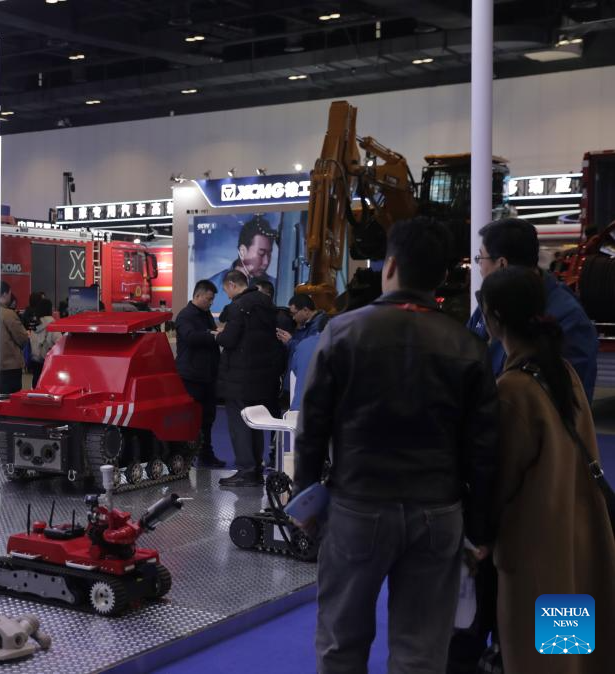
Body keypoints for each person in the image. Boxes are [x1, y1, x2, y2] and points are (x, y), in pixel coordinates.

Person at [295, 217, 499, 673]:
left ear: (390, 267)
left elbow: (312, 427)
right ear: (443, 276)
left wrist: (305, 498)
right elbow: (482, 448)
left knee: (341, 643)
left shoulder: (342, 332)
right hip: (439, 512)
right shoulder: (468, 346)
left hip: (356, 506)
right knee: (422, 650)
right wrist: (481, 529)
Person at [479, 266, 615, 674]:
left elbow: (501, 483)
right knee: (566, 655)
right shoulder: (564, 372)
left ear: (495, 318)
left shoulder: (513, 391)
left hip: (536, 552)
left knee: (537, 660)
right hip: (579, 540)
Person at [469, 217, 597, 401]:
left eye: (481, 258)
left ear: (502, 264)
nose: (479, 266)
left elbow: (573, 403)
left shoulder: (568, 319)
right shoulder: (489, 305)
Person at [215, 270, 286, 487]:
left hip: (240, 378)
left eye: (226, 289)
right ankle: (256, 468)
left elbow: (230, 339)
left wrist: (218, 334)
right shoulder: (266, 303)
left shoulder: (239, 307)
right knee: (255, 422)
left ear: (232, 284)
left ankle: (246, 470)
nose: (226, 294)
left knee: (240, 424)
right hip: (262, 376)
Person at [175, 280, 225, 469]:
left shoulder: (205, 315)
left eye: (212, 299)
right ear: (197, 295)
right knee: (190, 419)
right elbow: (190, 337)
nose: (211, 303)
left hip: (207, 376)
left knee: (208, 418)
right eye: (209, 299)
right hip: (191, 377)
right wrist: (213, 334)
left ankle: (205, 453)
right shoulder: (185, 316)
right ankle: (183, 456)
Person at [208, 215, 280, 316]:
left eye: (269, 254)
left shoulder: (278, 287)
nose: (266, 262)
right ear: (242, 251)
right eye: (261, 253)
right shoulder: (212, 286)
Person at [0, 281, 28, 394]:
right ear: (5, 294)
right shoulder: (8, 314)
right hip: (10, 365)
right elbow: (22, 338)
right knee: (11, 399)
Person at [28, 297, 60, 388]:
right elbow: (59, 341)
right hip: (48, 363)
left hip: (35, 361)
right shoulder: (53, 324)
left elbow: (31, 340)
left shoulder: (35, 323)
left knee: (36, 385)